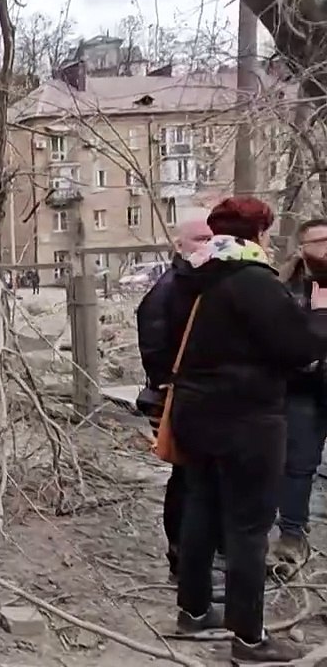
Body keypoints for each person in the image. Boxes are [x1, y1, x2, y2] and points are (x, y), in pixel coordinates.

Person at [165, 197, 327, 663]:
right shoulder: (252, 280)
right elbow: (299, 348)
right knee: (249, 526)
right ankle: (249, 639)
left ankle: (194, 611)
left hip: (196, 412)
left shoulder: (192, 276)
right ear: (256, 233)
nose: (271, 240)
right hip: (246, 418)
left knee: (202, 507)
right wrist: (320, 306)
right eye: (268, 231)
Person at [134, 218, 215, 580]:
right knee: (186, 478)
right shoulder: (171, 289)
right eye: (200, 238)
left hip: (194, 395)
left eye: (213, 238)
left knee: (195, 477)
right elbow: (154, 345)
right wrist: (168, 385)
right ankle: (181, 557)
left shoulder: (201, 284)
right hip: (177, 396)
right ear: (179, 244)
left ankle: (194, 556)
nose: (208, 244)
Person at [272, 218, 327, 567]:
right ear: (302, 247)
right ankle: (292, 533)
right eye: (318, 241)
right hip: (304, 389)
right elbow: (286, 340)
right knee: (298, 465)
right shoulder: (286, 288)